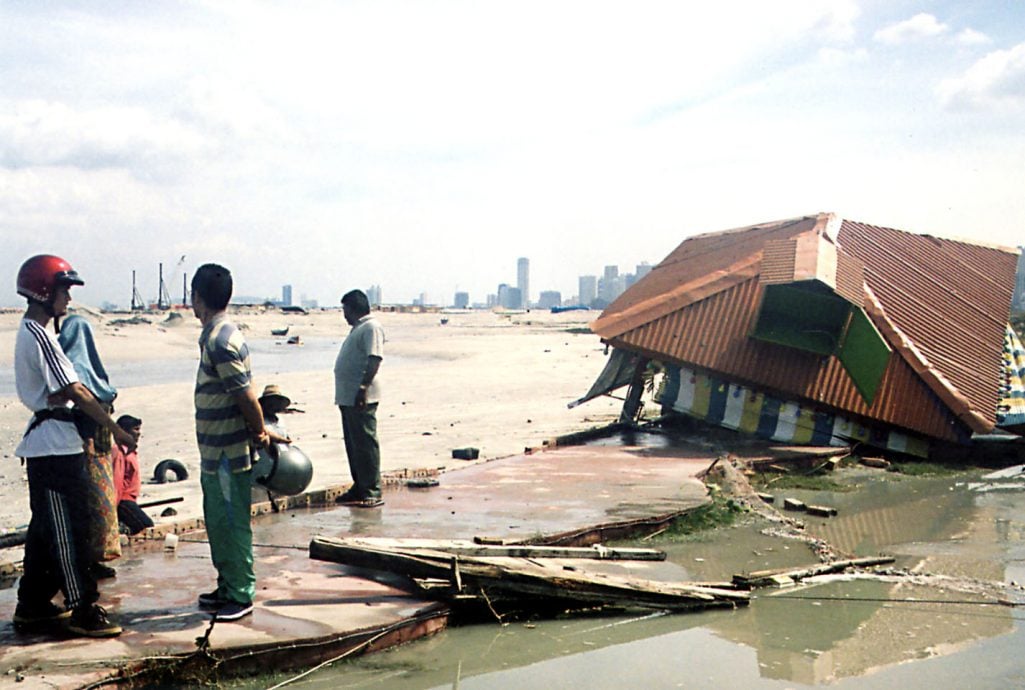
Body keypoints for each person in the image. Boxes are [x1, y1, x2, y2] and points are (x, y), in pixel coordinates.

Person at [12, 254, 135, 638]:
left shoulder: (39, 331)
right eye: (64, 289)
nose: (68, 298)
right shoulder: (38, 334)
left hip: (56, 443)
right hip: (52, 448)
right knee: (70, 530)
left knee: (46, 530)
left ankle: (32, 604)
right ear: (45, 291)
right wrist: (115, 428)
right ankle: (83, 607)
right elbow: (76, 390)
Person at [191, 263, 269, 622]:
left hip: (227, 452)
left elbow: (247, 397)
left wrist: (259, 431)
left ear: (197, 298)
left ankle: (240, 593)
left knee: (231, 521)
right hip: (214, 450)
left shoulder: (221, 341)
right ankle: (227, 586)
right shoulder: (216, 336)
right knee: (218, 521)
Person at [58, 314, 122, 580]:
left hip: (98, 449)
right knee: (91, 507)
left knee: (98, 508)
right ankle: (85, 563)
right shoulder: (76, 372)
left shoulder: (85, 370)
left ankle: (92, 560)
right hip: (86, 449)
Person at [333, 289, 385, 508]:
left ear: (354, 309)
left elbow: (374, 359)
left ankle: (372, 489)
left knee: (365, 443)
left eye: (345, 309)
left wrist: (363, 387)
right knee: (353, 444)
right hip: (348, 397)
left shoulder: (371, 327)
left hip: (361, 396)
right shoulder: (358, 328)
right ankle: (360, 485)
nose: (344, 315)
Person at [110, 414, 154, 535]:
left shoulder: (130, 452)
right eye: (135, 429)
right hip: (123, 501)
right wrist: (112, 510)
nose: (139, 434)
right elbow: (116, 482)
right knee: (146, 527)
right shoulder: (118, 452)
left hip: (130, 501)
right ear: (124, 431)